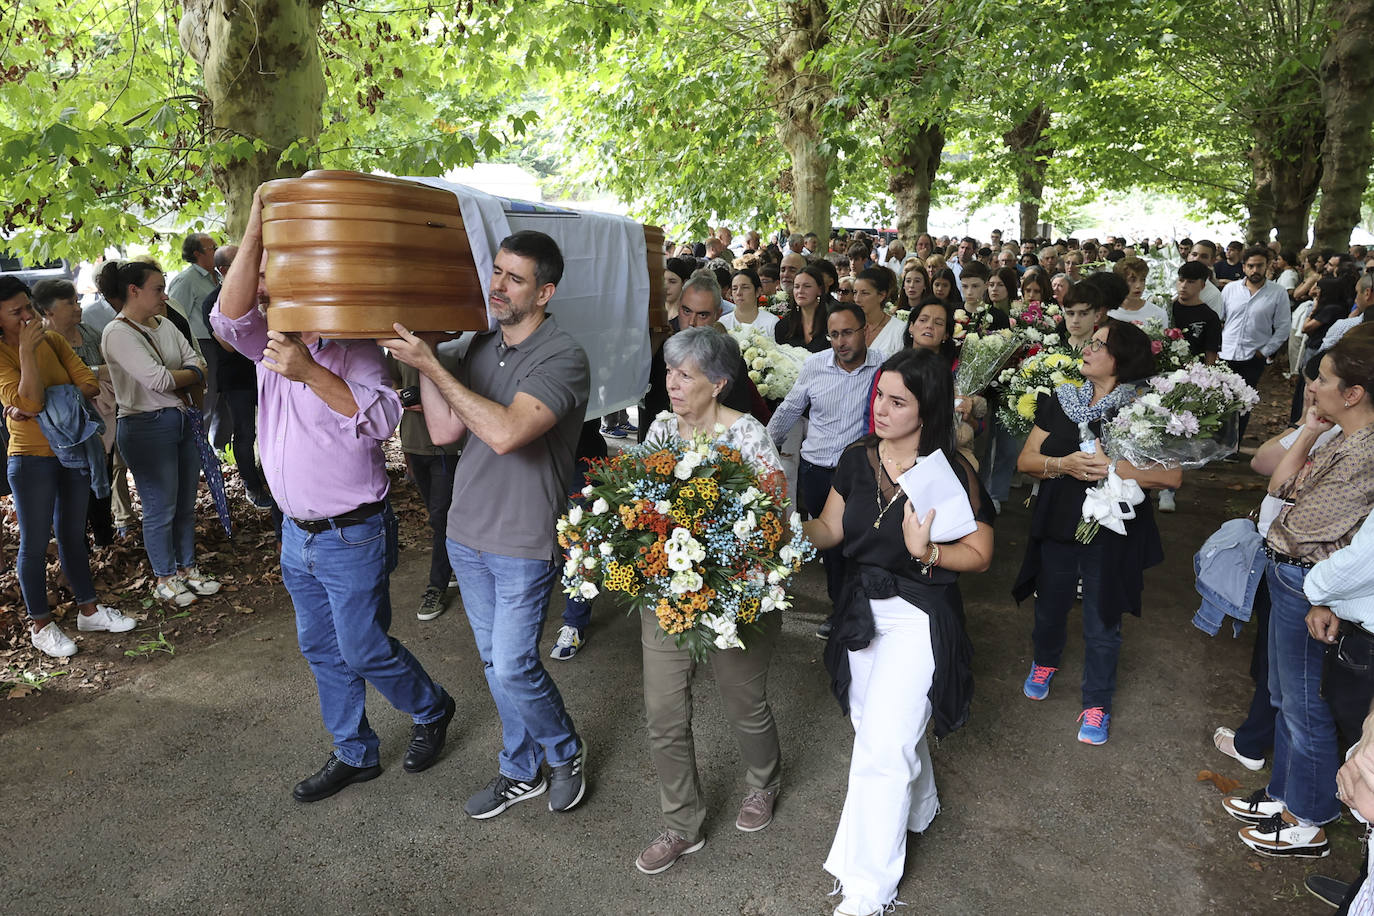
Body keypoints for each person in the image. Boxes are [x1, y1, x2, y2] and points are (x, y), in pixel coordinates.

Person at [214, 192, 455, 802]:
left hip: (353, 532)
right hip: (296, 533)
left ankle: (431, 708)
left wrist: (309, 371)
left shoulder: (355, 349)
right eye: (267, 279)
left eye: (277, 277)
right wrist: (255, 227)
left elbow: (381, 421)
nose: (266, 291)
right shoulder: (267, 341)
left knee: (363, 646)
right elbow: (227, 316)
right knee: (321, 648)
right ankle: (355, 752)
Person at [384, 229, 588, 820]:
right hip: (465, 532)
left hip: (523, 537)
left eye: (514, 278)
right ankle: (519, 769)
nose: (498, 286)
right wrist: (429, 354)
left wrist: (432, 363)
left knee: (517, 664)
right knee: (497, 664)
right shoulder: (476, 346)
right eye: (496, 271)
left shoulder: (563, 356)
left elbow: (504, 433)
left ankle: (564, 751)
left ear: (544, 291)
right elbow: (447, 432)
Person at [803, 348, 995, 916]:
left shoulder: (949, 471)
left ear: (926, 407)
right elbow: (831, 529)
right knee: (875, 727)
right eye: (878, 396)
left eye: (896, 401)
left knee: (882, 749)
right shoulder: (856, 457)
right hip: (862, 610)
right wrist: (776, 526)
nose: (879, 409)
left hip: (919, 614)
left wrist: (928, 550)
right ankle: (921, 803)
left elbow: (982, 553)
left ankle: (867, 888)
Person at [628, 327, 787, 876]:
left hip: (735, 600)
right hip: (668, 595)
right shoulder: (661, 429)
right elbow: (641, 504)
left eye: (686, 375)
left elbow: (775, 524)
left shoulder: (749, 437)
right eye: (669, 372)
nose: (672, 384)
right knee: (664, 714)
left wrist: (720, 560)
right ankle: (681, 825)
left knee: (745, 706)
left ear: (717, 384)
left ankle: (763, 782)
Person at [1221, 334, 1374, 859]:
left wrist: (1287, 510)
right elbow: (1276, 488)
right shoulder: (1340, 436)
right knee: (1286, 699)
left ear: (1352, 393)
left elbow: (1299, 518)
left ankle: (1307, 817)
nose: (1312, 385)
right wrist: (1309, 430)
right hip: (1294, 576)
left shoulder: (1365, 450)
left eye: (1324, 379)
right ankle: (1285, 796)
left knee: (1305, 705)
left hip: (1308, 584)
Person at [1014, 320, 1181, 744]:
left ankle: (1097, 704)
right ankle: (1045, 660)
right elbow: (1027, 460)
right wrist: (1063, 465)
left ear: (1120, 358)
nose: (1086, 348)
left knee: (1102, 620)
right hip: (1058, 522)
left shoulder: (1144, 410)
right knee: (1049, 605)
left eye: (1098, 344)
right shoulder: (1062, 399)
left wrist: (1110, 467)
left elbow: (1171, 477)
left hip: (1110, 530)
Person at [0, 277, 134, 658]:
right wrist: (26, 355)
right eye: (17, 312)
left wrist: (42, 400)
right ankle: (40, 624)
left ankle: (89, 610)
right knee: (35, 542)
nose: (29, 316)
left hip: (73, 449)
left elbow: (89, 384)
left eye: (28, 307)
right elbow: (28, 400)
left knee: (74, 534)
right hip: (30, 458)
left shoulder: (54, 340)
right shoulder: (5, 354)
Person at [98, 260, 219, 608]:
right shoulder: (117, 332)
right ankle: (164, 577)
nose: (164, 295)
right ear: (133, 291)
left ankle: (186, 569)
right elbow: (160, 380)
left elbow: (199, 361)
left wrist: (190, 370)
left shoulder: (164, 323)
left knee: (184, 504)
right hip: (145, 427)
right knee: (159, 506)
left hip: (181, 419)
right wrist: (191, 372)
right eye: (157, 288)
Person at [768, 302, 885, 628]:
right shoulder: (815, 365)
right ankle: (840, 611)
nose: (841, 341)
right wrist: (761, 451)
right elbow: (789, 410)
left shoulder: (884, 369)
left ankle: (865, 610)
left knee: (861, 543)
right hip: (818, 470)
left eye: (848, 333)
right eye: (834, 335)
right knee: (831, 549)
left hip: (863, 474)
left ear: (866, 331)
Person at [32, 278, 117, 545]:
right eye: (70, 302)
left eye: (77, 301)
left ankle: (105, 538)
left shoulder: (91, 333)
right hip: (64, 428)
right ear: (48, 310)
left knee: (101, 474)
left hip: (101, 418)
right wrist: (91, 377)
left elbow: (110, 372)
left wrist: (89, 378)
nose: (77, 307)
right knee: (72, 485)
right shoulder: (40, 345)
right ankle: (77, 545)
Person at [387, 344, 463, 620]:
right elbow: (391, 381)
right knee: (437, 515)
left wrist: (435, 403)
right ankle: (453, 564)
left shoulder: (458, 343)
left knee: (441, 517)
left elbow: (473, 393)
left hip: (448, 447)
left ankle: (436, 586)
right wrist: (401, 397)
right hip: (414, 442)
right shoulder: (402, 344)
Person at [201, 245, 272, 509]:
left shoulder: (261, 290)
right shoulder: (214, 302)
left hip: (268, 373)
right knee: (244, 433)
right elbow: (230, 344)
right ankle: (253, 487)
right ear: (224, 271)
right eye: (241, 261)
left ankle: (273, 478)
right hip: (237, 378)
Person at [1218, 246, 1290, 440]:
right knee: (1219, 400)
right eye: (1251, 266)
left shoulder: (1278, 293)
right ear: (1244, 267)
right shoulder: (1230, 289)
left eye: (1259, 266)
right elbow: (1219, 318)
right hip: (1225, 354)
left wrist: (1265, 351)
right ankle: (1215, 445)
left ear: (1267, 266)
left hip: (1252, 357)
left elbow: (1283, 327)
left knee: (1242, 404)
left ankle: (1233, 445)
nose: (1255, 270)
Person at [167, 232, 227, 447]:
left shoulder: (219, 276)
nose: (217, 250)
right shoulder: (186, 280)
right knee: (207, 397)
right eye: (213, 247)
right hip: (203, 345)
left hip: (223, 345)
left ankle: (218, 448)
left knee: (223, 398)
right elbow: (174, 316)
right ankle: (198, 449)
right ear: (197, 254)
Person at [774, 264, 832, 352]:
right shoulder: (783, 326)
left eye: (807, 286)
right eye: (796, 287)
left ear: (819, 290)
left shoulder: (832, 322)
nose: (800, 291)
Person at [853, 268, 904, 356]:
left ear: (881, 296)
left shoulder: (899, 330)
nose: (857, 299)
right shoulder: (850, 326)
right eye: (855, 292)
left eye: (864, 293)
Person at [719, 268, 779, 338]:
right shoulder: (722, 323)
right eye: (735, 288)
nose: (738, 293)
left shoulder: (771, 322)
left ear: (758, 291)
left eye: (745, 287)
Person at [1109, 257, 1167, 327]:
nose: (1138, 286)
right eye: (1132, 280)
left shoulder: (1158, 314)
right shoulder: (1108, 312)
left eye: (1142, 280)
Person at [663, 257, 694, 331]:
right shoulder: (651, 313)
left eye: (672, 281)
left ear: (684, 283)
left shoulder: (688, 320)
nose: (665, 287)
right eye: (662, 280)